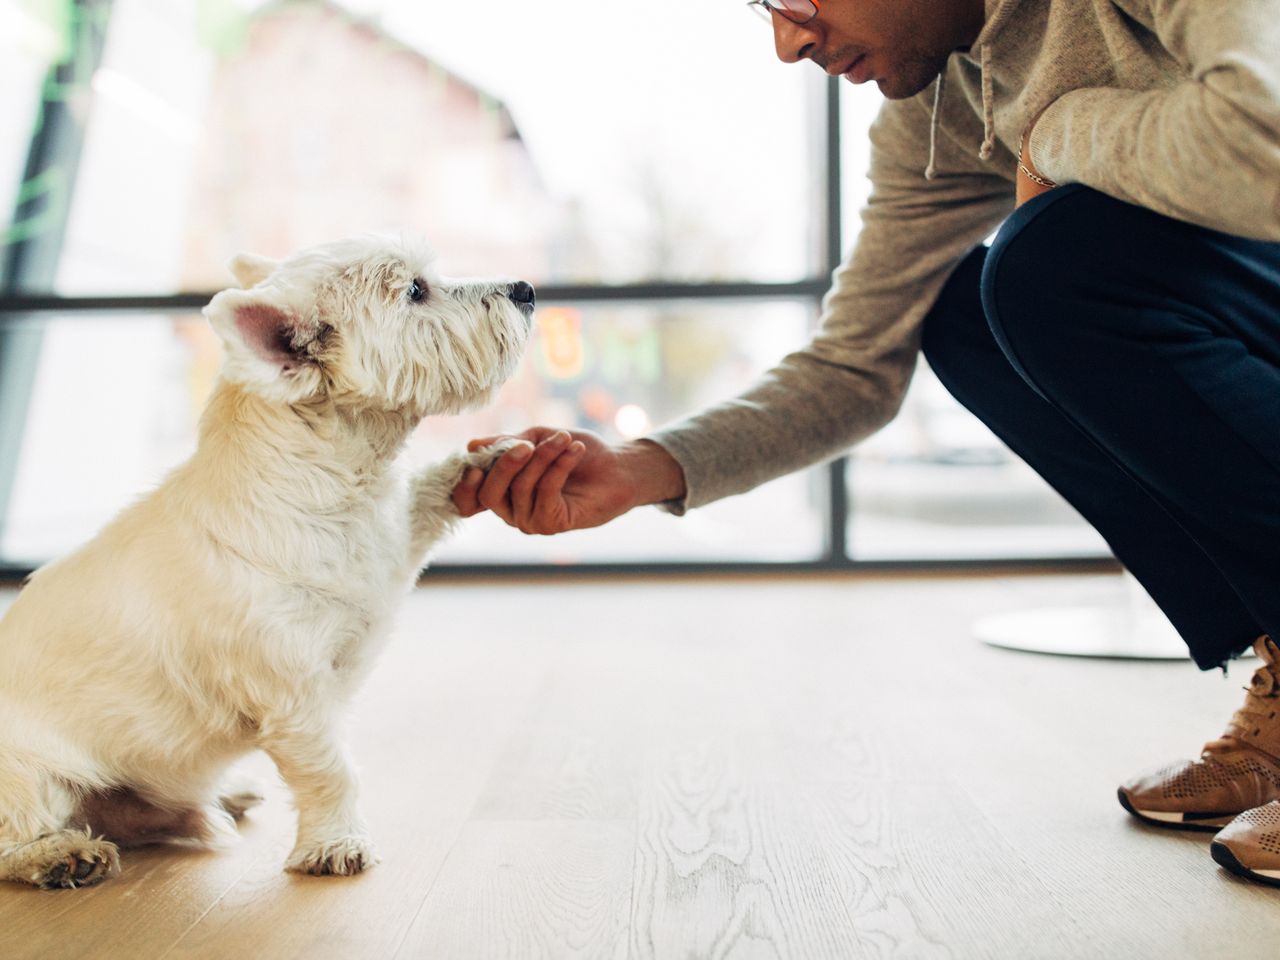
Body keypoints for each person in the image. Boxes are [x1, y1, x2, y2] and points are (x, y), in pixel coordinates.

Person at [452, 0, 1280, 886]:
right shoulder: (940, 106)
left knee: (1054, 261)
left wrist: (1054, 130)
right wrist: (640, 470)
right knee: (967, 313)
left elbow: (1262, 139)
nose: (787, 42)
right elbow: (856, 365)